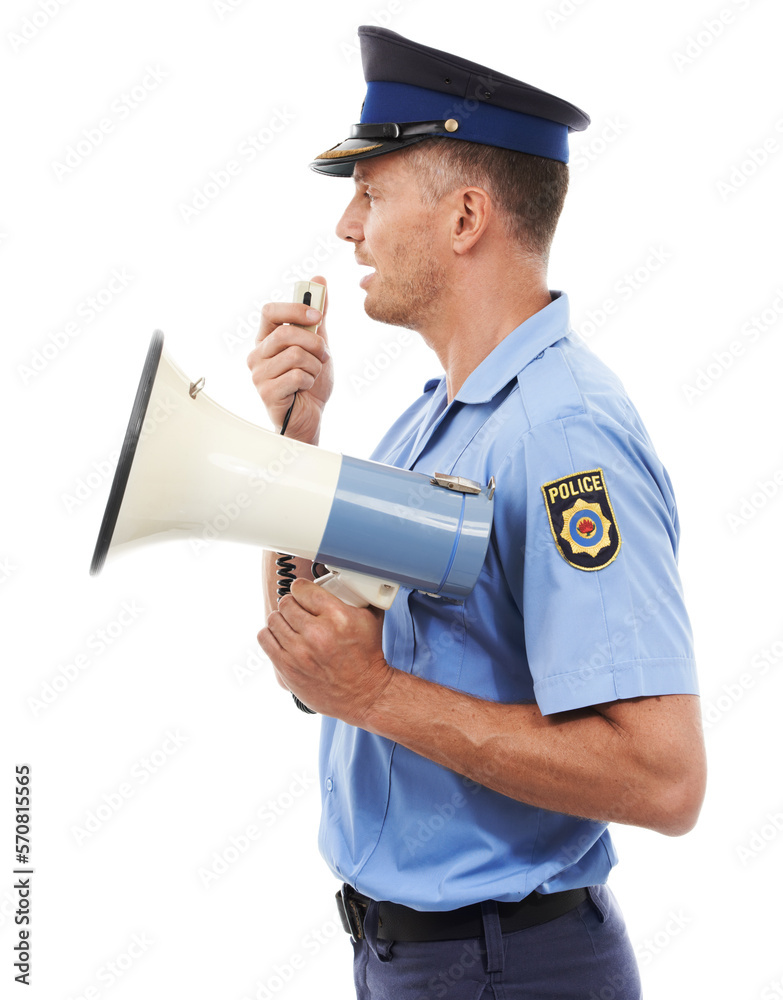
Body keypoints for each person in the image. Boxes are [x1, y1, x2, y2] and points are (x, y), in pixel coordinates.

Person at [247, 25, 707, 1000]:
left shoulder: (561, 436)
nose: (346, 226)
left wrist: (375, 694)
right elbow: (313, 665)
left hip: (509, 968)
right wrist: (296, 436)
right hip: (419, 960)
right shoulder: (432, 425)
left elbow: (664, 778)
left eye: (370, 192)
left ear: (465, 217)